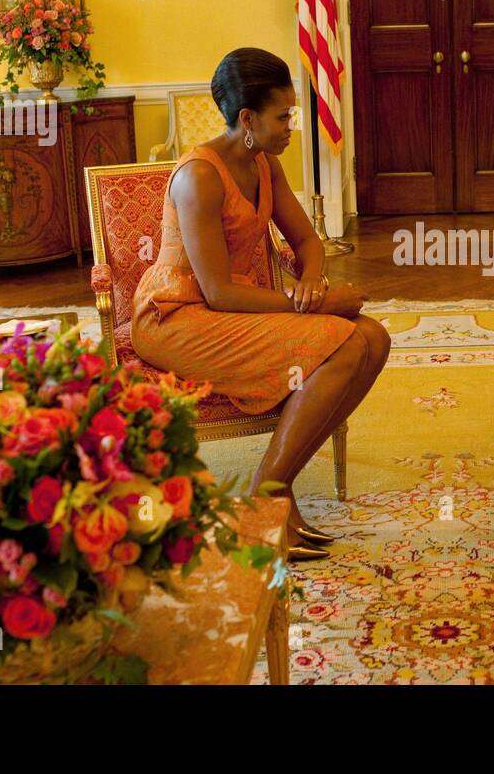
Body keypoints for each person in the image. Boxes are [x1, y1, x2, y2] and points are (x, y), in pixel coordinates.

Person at [131, 47, 390, 562]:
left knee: (374, 338)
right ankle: (265, 500)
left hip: (230, 305)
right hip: (177, 316)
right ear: (247, 119)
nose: (292, 125)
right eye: (283, 115)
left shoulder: (264, 164)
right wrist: (316, 308)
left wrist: (313, 284)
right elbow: (217, 291)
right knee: (341, 340)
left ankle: (276, 485)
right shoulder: (199, 177)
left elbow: (308, 243)